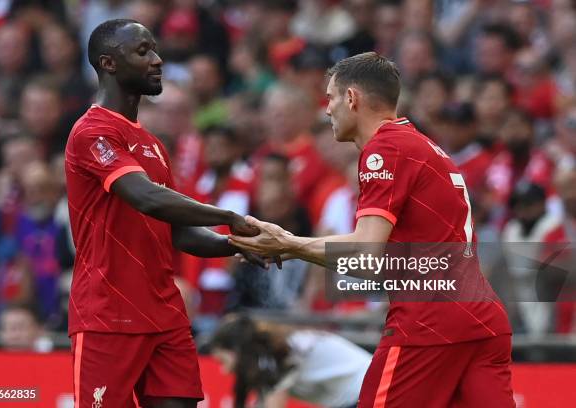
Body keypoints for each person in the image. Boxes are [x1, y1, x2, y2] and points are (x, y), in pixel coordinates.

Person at [229, 52, 515, 407]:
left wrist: (288, 244)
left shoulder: (386, 147)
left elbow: (365, 252)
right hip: (483, 319)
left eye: (331, 98)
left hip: (430, 321)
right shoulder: (424, 146)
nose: (327, 109)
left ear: (352, 98)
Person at [65, 19, 266, 408]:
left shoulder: (153, 145)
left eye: (155, 49)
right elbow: (146, 198)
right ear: (108, 63)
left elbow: (177, 232)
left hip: (166, 314)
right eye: (143, 52)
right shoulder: (91, 132)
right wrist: (229, 215)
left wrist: (234, 244)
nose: (157, 60)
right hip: (108, 314)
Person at [209, 314, 372, 408]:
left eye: (223, 360)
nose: (225, 370)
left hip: (367, 392)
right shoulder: (275, 354)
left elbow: (273, 405)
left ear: (237, 350)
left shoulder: (285, 351)